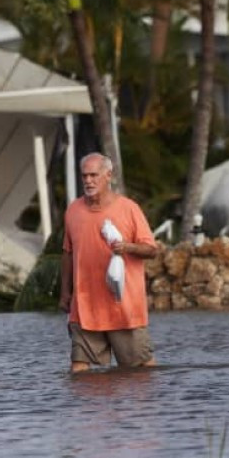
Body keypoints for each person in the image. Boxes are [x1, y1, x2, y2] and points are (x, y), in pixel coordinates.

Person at [60, 152, 160, 373]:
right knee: (78, 371)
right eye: (84, 176)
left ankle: (149, 408)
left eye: (94, 175)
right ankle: (86, 409)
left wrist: (128, 247)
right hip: (85, 307)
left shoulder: (129, 208)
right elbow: (67, 253)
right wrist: (65, 293)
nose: (88, 181)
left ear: (109, 176)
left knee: (142, 372)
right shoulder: (73, 210)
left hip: (123, 308)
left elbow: (151, 250)